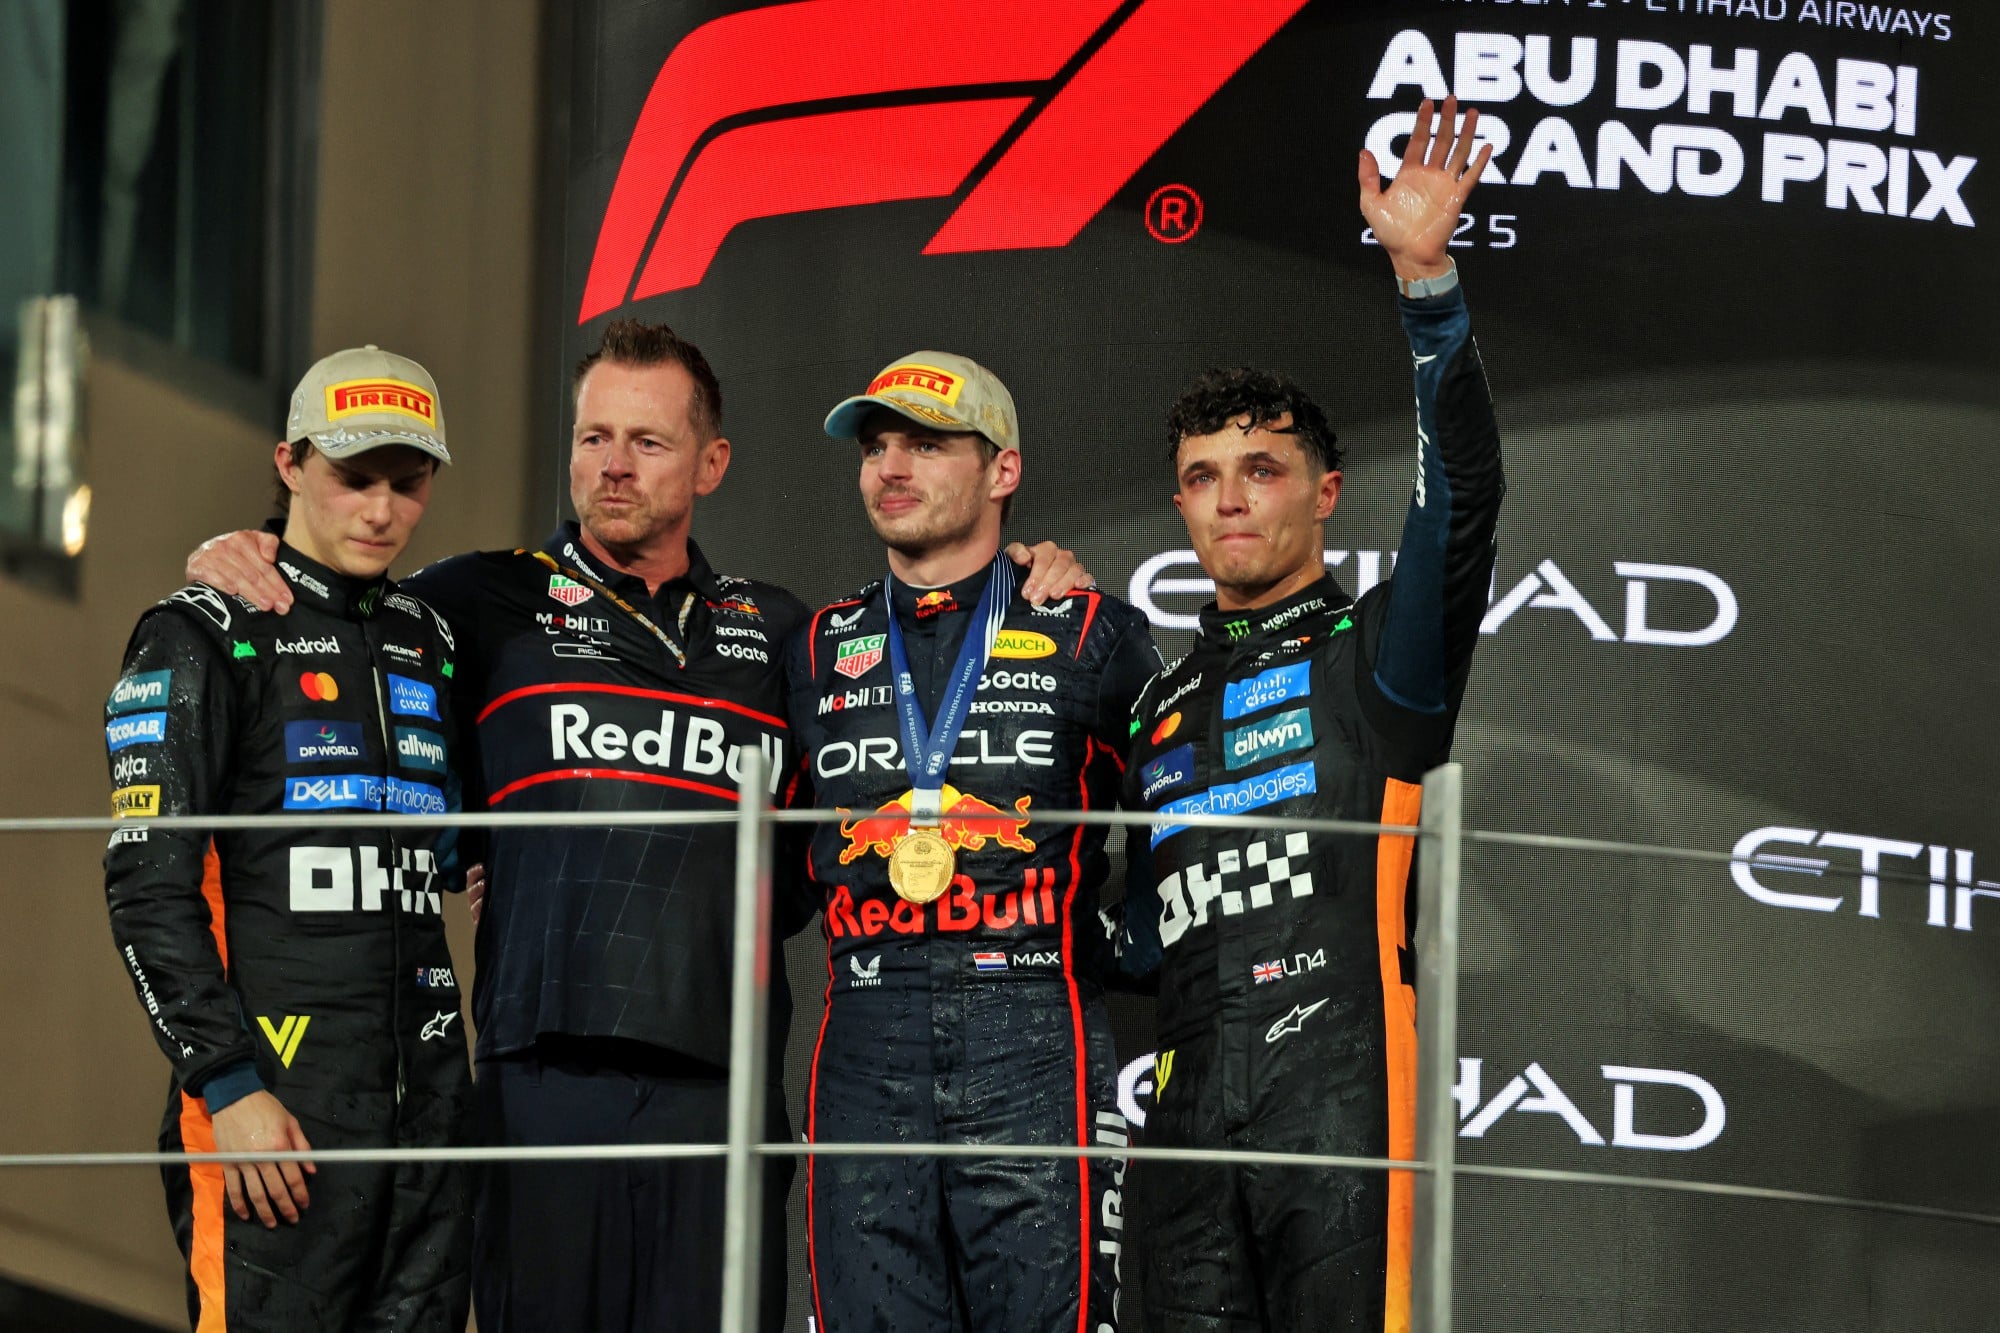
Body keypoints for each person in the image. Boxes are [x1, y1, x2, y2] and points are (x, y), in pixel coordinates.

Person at [184, 321, 1090, 1332]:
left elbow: (919, 684)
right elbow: (340, 602)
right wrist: (248, 546)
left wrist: (1036, 571)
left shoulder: (787, 631)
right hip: (538, 1085)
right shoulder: (480, 600)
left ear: (712, 462)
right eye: (591, 438)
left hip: (724, 1091)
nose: (611, 467)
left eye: (647, 443)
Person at [1116, 96, 1506, 1331]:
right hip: (1177, 1119)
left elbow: (1465, 500)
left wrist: (1426, 284)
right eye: (1200, 478)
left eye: (1262, 469)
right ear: (1179, 507)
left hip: (1339, 1096)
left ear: (1325, 492)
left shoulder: (1376, 655)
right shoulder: (1155, 702)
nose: (1229, 501)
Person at [784, 352, 1161, 1331]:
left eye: (924, 444)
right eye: (875, 447)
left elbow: (1184, 810)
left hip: (1031, 1021)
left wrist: (1119, 951)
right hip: (865, 1023)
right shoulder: (816, 646)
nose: (890, 467)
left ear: (1003, 471)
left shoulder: (1092, 631)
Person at [104, 345, 471, 1330]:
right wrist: (224, 1084)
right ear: (290, 463)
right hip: (275, 1112)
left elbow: (457, 845)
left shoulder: (428, 638)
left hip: (432, 1118)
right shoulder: (202, 632)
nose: (381, 509)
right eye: (354, 478)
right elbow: (145, 887)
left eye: (408, 481)